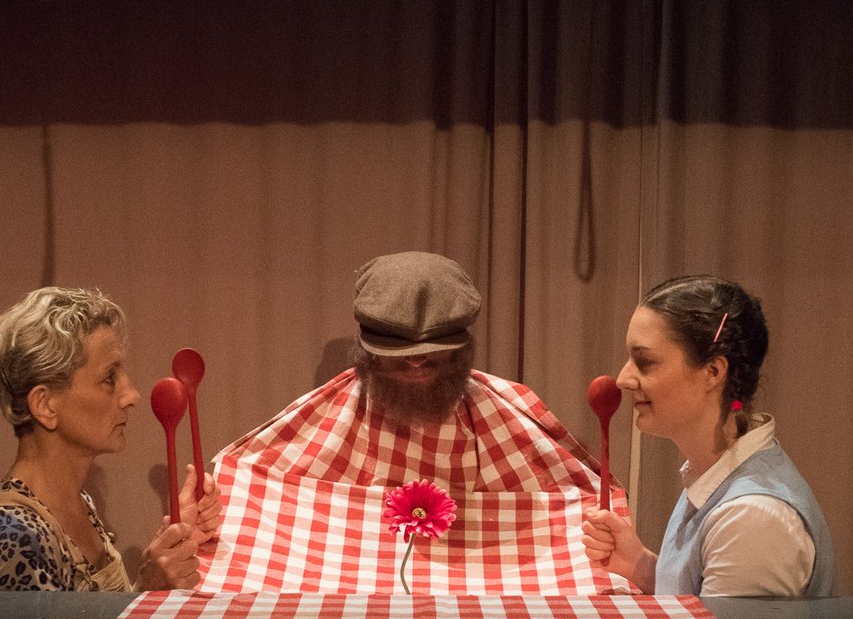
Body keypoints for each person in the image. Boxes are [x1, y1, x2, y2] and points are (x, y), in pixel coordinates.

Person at [204, 251, 627, 595]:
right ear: (366, 349)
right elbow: (257, 482)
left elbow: (577, 499)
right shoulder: (325, 414)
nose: (419, 361)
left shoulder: (510, 407)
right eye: (398, 352)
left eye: (436, 349)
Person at [0, 286, 221, 592]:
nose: (132, 396)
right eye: (109, 379)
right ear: (45, 405)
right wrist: (145, 592)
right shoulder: (8, 539)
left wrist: (173, 539)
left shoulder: (75, 505)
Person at [582, 275, 834, 597]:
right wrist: (638, 564)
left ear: (713, 371)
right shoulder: (714, 470)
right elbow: (697, 607)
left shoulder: (751, 521)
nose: (623, 379)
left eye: (644, 361)